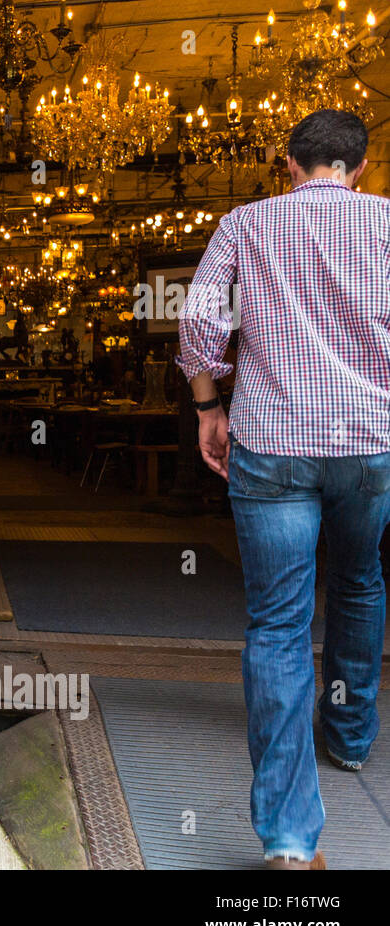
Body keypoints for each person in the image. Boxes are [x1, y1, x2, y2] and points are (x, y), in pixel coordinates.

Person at [178, 108, 390, 869]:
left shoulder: (245, 223)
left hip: (271, 441)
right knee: (361, 581)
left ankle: (291, 840)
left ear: (289, 164)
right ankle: (353, 736)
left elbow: (200, 316)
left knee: (277, 626)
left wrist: (209, 406)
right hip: (369, 440)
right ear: (360, 167)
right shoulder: (389, 223)